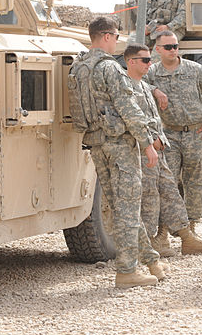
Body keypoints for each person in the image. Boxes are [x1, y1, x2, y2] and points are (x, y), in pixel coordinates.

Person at [69, 17, 163, 288]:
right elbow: (128, 107)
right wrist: (146, 142)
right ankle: (127, 271)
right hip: (120, 145)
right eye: (116, 35)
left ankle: (151, 260)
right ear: (107, 36)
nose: (118, 40)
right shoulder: (109, 67)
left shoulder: (79, 67)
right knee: (128, 209)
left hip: (96, 144)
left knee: (122, 208)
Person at [123, 43, 202, 257]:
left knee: (170, 192)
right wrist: (149, 141)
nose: (150, 64)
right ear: (131, 62)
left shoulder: (145, 87)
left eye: (150, 59)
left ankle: (187, 238)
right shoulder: (127, 87)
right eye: (145, 60)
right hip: (142, 151)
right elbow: (132, 119)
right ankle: (146, 250)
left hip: (158, 148)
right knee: (150, 199)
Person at [147, 30, 202, 234]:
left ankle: (191, 231)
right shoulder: (151, 73)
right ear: (158, 50)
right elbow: (135, 86)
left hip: (196, 133)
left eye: (175, 46)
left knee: (195, 182)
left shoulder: (195, 70)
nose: (173, 50)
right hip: (168, 136)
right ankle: (163, 232)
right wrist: (154, 90)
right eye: (168, 47)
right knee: (166, 184)